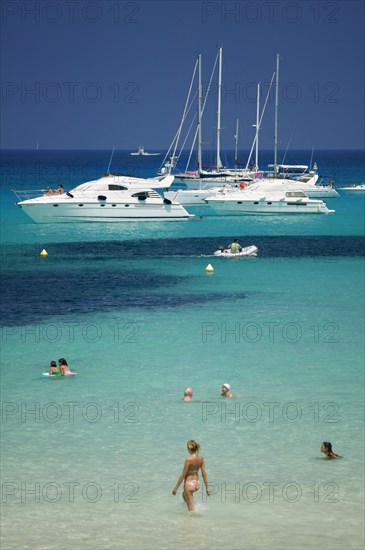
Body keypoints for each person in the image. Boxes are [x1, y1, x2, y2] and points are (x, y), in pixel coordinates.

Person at [172, 440, 211, 511]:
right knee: (184, 495)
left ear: (189, 448)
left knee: (191, 511)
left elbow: (183, 475)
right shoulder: (201, 459)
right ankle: (192, 504)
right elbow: (204, 474)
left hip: (189, 484)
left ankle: (192, 519)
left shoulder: (188, 460)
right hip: (196, 484)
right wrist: (207, 488)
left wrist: (176, 488)